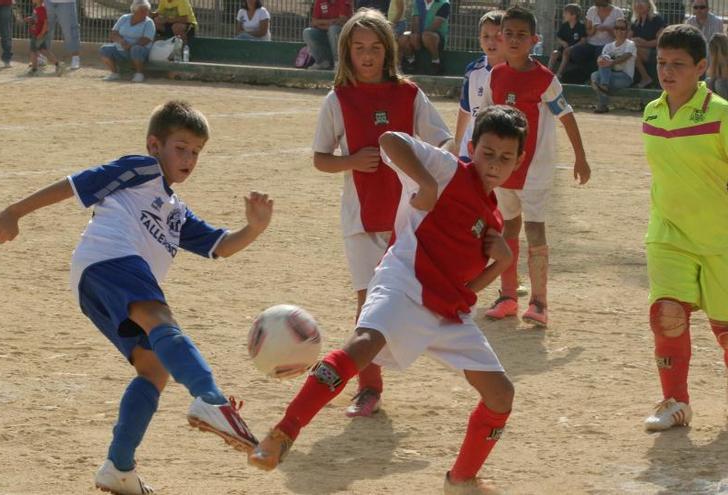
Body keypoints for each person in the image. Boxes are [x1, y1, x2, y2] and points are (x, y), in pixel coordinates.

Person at [0, 100, 269, 493]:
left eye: (197, 152)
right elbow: (75, 184)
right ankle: (210, 397)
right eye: (181, 147)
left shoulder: (176, 211)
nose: (189, 158)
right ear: (155, 145)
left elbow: (220, 246)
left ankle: (119, 468)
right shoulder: (141, 168)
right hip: (109, 259)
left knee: (154, 369)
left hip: (96, 283)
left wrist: (253, 228)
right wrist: (15, 211)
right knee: (159, 318)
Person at [248, 106, 528, 495]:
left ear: (519, 160)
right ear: (472, 146)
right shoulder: (448, 170)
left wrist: (503, 262)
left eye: (505, 158)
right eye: (487, 152)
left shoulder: (494, 219)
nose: (494, 164)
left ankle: (461, 480)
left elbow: (470, 284)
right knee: (363, 344)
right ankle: (284, 432)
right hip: (404, 281)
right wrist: (426, 184)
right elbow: (388, 141)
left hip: (447, 311)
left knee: (501, 395)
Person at [308, 8, 452, 418]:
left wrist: (420, 173)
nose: (367, 56)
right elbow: (320, 158)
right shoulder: (337, 99)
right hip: (360, 219)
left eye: (374, 48)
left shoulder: (408, 94)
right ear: (346, 52)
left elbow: (442, 140)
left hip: (408, 219)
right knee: (367, 304)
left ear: (388, 51)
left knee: (412, 303)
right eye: (359, 48)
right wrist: (351, 161)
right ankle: (369, 388)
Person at [640, 24, 728, 432]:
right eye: (661, 63)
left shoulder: (722, 115)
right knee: (667, 314)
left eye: (678, 64)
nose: (667, 71)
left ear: (701, 67)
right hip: (668, 234)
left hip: (720, 238)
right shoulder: (651, 112)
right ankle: (675, 403)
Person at [481, 5, 592, 328]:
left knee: (535, 228)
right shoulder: (496, 75)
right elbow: (485, 117)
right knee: (508, 227)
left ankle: (539, 303)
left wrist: (580, 157)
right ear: (501, 38)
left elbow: (566, 115)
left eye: (522, 35)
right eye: (509, 34)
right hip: (503, 171)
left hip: (535, 171)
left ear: (534, 40)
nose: (514, 40)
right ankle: (507, 296)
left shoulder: (545, 80)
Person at [453, 10, 504, 162]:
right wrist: (457, 143)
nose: (491, 42)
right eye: (486, 37)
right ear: (479, 40)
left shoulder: (516, 70)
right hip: (473, 142)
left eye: (498, 37)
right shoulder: (473, 70)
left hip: (500, 145)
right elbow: (465, 109)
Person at [564, 0, 622, 84]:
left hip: (608, 44)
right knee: (575, 52)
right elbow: (588, 32)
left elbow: (620, 34)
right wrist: (594, 29)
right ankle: (588, 75)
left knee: (601, 54)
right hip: (591, 43)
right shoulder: (592, 10)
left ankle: (594, 78)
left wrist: (608, 29)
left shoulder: (617, 12)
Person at [100, 0, 156, 83]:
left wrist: (131, 45)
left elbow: (146, 39)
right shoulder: (124, 18)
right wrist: (122, 41)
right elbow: (113, 34)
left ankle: (139, 74)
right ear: (134, 11)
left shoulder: (149, 23)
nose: (145, 13)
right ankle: (114, 73)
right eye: (142, 11)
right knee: (104, 49)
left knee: (136, 49)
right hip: (121, 48)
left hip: (140, 50)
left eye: (147, 11)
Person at [591, 17, 636, 113]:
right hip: (609, 76)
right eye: (616, 28)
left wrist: (611, 62)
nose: (619, 30)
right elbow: (601, 60)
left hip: (625, 77)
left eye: (622, 28)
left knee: (596, 78)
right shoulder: (608, 46)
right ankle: (604, 87)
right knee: (596, 74)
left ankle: (602, 102)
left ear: (627, 31)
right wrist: (600, 60)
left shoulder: (630, 44)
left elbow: (626, 56)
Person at [398, 0, 449, 75]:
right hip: (421, 35)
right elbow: (415, 21)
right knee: (403, 38)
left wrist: (421, 36)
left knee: (427, 36)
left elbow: (436, 24)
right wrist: (415, 35)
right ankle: (411, 62)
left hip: (436, 37)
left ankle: (436, 63)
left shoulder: (444, 3)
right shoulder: (418, 2)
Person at [302, 0, 352, 70]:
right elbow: (314, 22)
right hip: (325, 32)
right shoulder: (320, 1)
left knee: (333, 29)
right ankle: (322, 62)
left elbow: (342, 21)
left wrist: (323, 24)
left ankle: (339, 62)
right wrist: (331, 23)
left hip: (343, 35)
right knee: (307, 32)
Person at [630, 0, 665, 88]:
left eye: (642, 1)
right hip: (639, 52)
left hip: (656, 52)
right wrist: (634, 40)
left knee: (633, 49)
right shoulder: (635, 22)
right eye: (636, 2)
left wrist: (645, 43)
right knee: (631, 49)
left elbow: (660, 40)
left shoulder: (656, 19)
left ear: (649, 4)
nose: (639, 4)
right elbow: (628, 39)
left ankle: (646, 78)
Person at [25, 0, 66, 76]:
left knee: (33, 51)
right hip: (37, 34)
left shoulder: (41, 9)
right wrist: (31, 18)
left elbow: (45, 23)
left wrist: (41, 34)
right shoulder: (37, 8)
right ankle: (58, 65)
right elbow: (37, 19)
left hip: (37, 35)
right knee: (44, 51)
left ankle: (34, 69)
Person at [549, 3, 586, 80]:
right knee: (554, 53)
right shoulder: (564, 25)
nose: (563, 15)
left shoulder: (581, 26)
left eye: (566, 13)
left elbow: (583, 41)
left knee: (566, 52)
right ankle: (548, 72)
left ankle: (559, 74)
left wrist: (572, 47)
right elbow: (558, 37)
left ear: (574, 15)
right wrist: (562, 42)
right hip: (564, 48)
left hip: (575, 51)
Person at [45, 0, 81, 69]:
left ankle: (75, 58)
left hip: (66, 2)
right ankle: (43, 56)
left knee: (70, 30)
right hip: (48, 2)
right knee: (45, 29)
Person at [707, 33, 728, 99]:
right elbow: (711, 75)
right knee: (709, 81)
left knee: (719, 84)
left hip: (723, 84)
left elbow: (725, 76)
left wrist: (722, 56)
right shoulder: (714, 56)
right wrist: (714, 58)